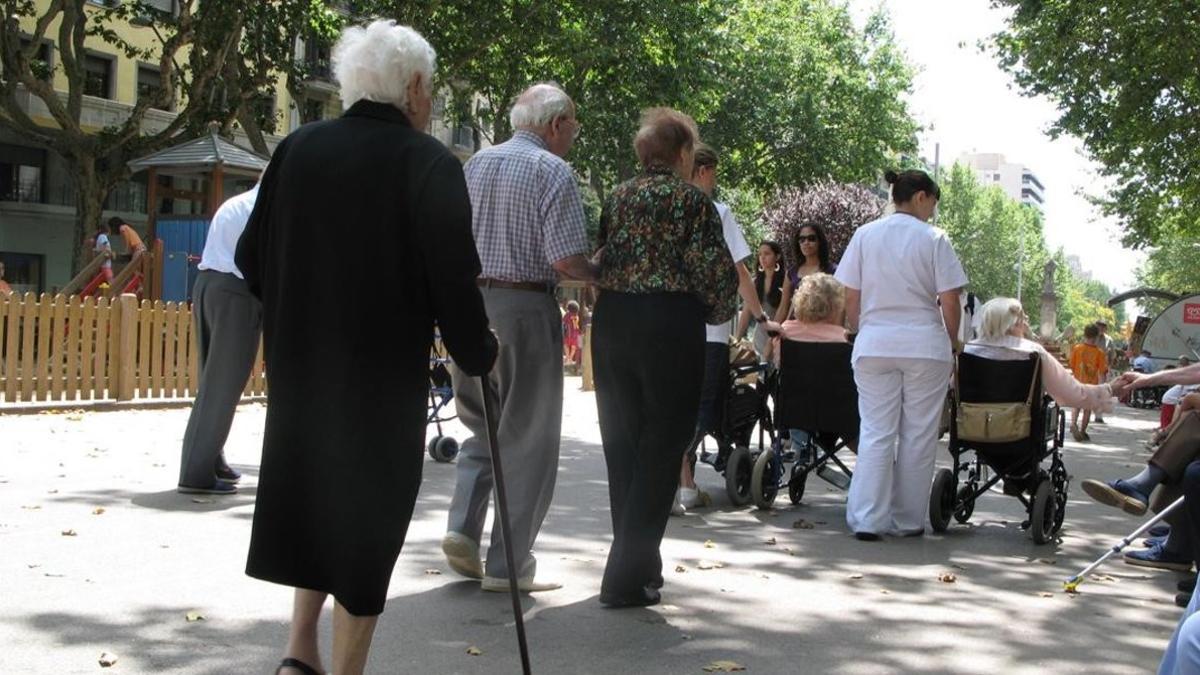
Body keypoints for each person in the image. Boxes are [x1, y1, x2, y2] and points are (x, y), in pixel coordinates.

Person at [234, 21, 497, 675]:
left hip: (301, 368)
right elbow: (454, 279)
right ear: (412, 88)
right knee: (365, 524)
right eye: (430, 89)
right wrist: (480, 351)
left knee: (315, 501)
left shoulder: (297, 148)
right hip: (380, 380)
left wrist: (299, 304)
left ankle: (300, 651)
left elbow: (249, 257)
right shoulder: (429, 163)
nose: (431, 101)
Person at [442, 82, 593, 595]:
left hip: (468, 303)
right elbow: (566, 260)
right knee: (527, 438)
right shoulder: (553, 171)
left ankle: (461, 527)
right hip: (526, 309)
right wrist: (603, 270)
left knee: (482, 422)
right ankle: (508, 565)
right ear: (555, 125)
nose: (573, 135)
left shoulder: (475, 164)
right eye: (573, 125)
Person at [593, 107, 737, 607]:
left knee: (623, 447)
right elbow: (717, 279)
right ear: (681, 154)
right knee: (662, 446)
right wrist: (720, 311)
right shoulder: (691, 202)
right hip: (669, 325)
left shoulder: (618, 196)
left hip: (612, 323)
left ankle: (640, 567)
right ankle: (624, 577)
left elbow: (605, 254)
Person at [835, 168, 968, 541]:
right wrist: (953, 342)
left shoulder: (865, 235)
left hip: (875, 343)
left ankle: (866, 518)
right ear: (922, 196)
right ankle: (908, 519)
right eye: (932, 204)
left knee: (876, 430)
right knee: (918, 435)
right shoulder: (935, 238)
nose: (932, 213)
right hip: (924, 345)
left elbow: (851, 296)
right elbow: (949, 300)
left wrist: (863, 328)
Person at [674, 142, 771, 515]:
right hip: (709, 329)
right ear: (702, 171)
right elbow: (740, 272)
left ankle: (682, 482)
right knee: (702, 407)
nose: (715, 181)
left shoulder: (667, 207)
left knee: (675, 404)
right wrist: (761, 318)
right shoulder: (716, 212)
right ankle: (683, 483)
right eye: (714, 173)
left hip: (669, 324)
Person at [176, 181, 263, 495]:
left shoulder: (239, 202)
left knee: (213, 380)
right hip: (236, 291)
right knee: (224, 383)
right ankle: (195, 473)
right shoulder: (265, 207)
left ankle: (212, 459)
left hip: (209, 284)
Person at [775, 222, 838, 324]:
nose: (806, 242)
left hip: (822, 330)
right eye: (802, 239)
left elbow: (838, 307)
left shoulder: (832, 271)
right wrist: (773, 334)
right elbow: (783, 307)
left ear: (820, 242)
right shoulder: (791, 273)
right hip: (793, 330)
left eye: (811, 238)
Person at [734, 240, 786, 360]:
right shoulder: (755, 282)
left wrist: (772, 341)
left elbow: (783, 312)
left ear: (777, 256)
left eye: (767, 254)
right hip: (759, 339)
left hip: (780, 338)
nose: (762, 258)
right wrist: (737, 339)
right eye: (760, 254)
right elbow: (746, 313)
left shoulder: (785, 280)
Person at [1068, 323, 1108, 441]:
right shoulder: (1100, 353)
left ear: (1084, 334)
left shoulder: (1077, 348)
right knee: (1087, 409)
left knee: (1076, 406)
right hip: (1091, 385)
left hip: (1077, 382)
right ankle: (1082, 431)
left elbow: (1071, 365)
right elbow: (1102, 372)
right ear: (1096, 337)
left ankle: (1073, 423)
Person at [1093, 319, 1114, 423]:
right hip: (1090, 369)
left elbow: (1112, 355)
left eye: (1103, 326)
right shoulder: (1091, 338)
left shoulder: (1108, 340)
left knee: (1101, 392)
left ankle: (1098, 415)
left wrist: (1109, 368)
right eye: (1099, 326)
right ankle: (1084, 412)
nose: (1101, 328)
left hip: (1102, 370)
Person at [563, 299, 582, 373]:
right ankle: (570, 359)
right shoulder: (576, 315)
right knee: (574, 347)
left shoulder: (567, 315)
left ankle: (568, 358)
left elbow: (563, 321)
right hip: (576, 333)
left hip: (569, 333)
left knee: (566, 345)